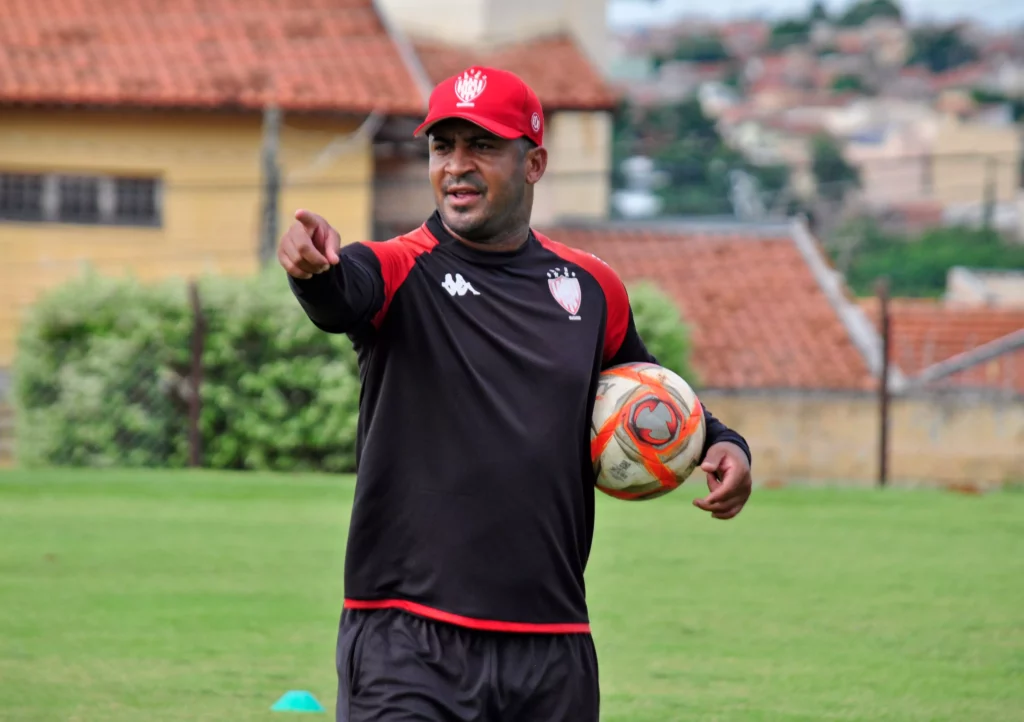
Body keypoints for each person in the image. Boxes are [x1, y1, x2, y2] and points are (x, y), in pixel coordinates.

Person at [278, 66, 753, 722]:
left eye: (482, 146)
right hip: (406, 639)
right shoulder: (396, 267)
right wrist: (315, 273)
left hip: (550, 645)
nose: (457, 165)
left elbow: (647, 388)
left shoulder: (590, 288)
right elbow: (341, 296)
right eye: (442, 146)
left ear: (533, 164)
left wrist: (722, 443)